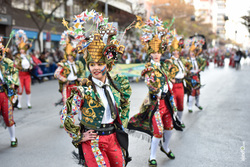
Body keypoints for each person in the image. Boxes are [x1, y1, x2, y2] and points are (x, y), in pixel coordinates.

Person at [60, 10, 132, 167]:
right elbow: (65, 114)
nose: (95, 68)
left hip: (113, 138)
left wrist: (122, 124)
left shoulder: (116, 85)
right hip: (93, 141)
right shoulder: (83, 90)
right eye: (92, 64)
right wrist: (79, 135)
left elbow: (125, 103)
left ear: (108, 65)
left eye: (100, 64)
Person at [128, 16, 182, 167]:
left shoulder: (164, 65)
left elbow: (172, 75)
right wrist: (156, 88)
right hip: (155, 104)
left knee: (169, 127)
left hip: (167, 102)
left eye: (159, 51)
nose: (157, 54)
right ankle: (152, 157)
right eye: (154, 51)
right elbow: (149, 84)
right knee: (158, 131)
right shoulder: (148, 68)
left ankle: (165, 147)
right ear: (150, 52)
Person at [0, 38, 19, 147]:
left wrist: (12, 82)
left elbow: (14, 74)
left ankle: (13, 138)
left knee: (8, 116)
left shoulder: (8, 63)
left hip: (4, 94)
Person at [165, 37, 186, 128]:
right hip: (173, 85)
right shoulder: (170, 61)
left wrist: (184, 73)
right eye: (175, 52)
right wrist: (170, 79)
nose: (177, 53)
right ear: (172, 52)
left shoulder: (180, 61)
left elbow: (183, 70)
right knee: (173, 105)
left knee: (181, 104)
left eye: (178, 51)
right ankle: (173, 121)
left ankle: (179, 120)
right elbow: (166, 71)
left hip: (181, 84)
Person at [14, 30, 33, 109]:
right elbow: (15, 65)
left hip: (27, 74)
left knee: (28, 88)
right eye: (20, 49)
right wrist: (20, 66)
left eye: (23, 49)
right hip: (20, 74)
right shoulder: (17, 56)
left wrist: (30, 67)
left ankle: (28, 103)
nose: (22, 50)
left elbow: (31, 64)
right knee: (20, 89)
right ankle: (19, 104)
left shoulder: (28, 56)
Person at [185, 42, 206, 113]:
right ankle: (190, 106)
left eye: (193, 52)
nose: (192, 53)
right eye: (191, 52)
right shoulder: (187, 60)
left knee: (197, 91)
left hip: (196, 77)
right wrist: (188, 71)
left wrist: (200, 69)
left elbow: (204, 62)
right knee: (191, 92)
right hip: (190, 78)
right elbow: (184, 68)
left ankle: (197, 103)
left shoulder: (198, 59)